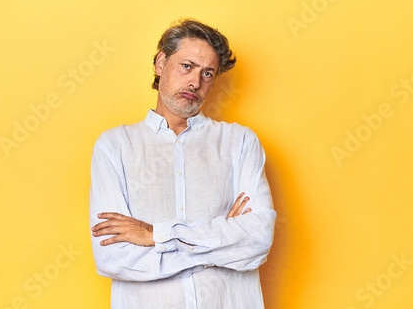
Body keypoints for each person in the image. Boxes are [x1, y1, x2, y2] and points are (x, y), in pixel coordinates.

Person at [89, 18, 276, 308]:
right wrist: (221, 238)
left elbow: (258, 240)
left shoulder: (239, 142)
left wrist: (155, 236)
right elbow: (113, 257)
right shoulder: (114, 146)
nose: (195, 82)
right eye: (187, 66)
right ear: (161, 63)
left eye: (208, 73)